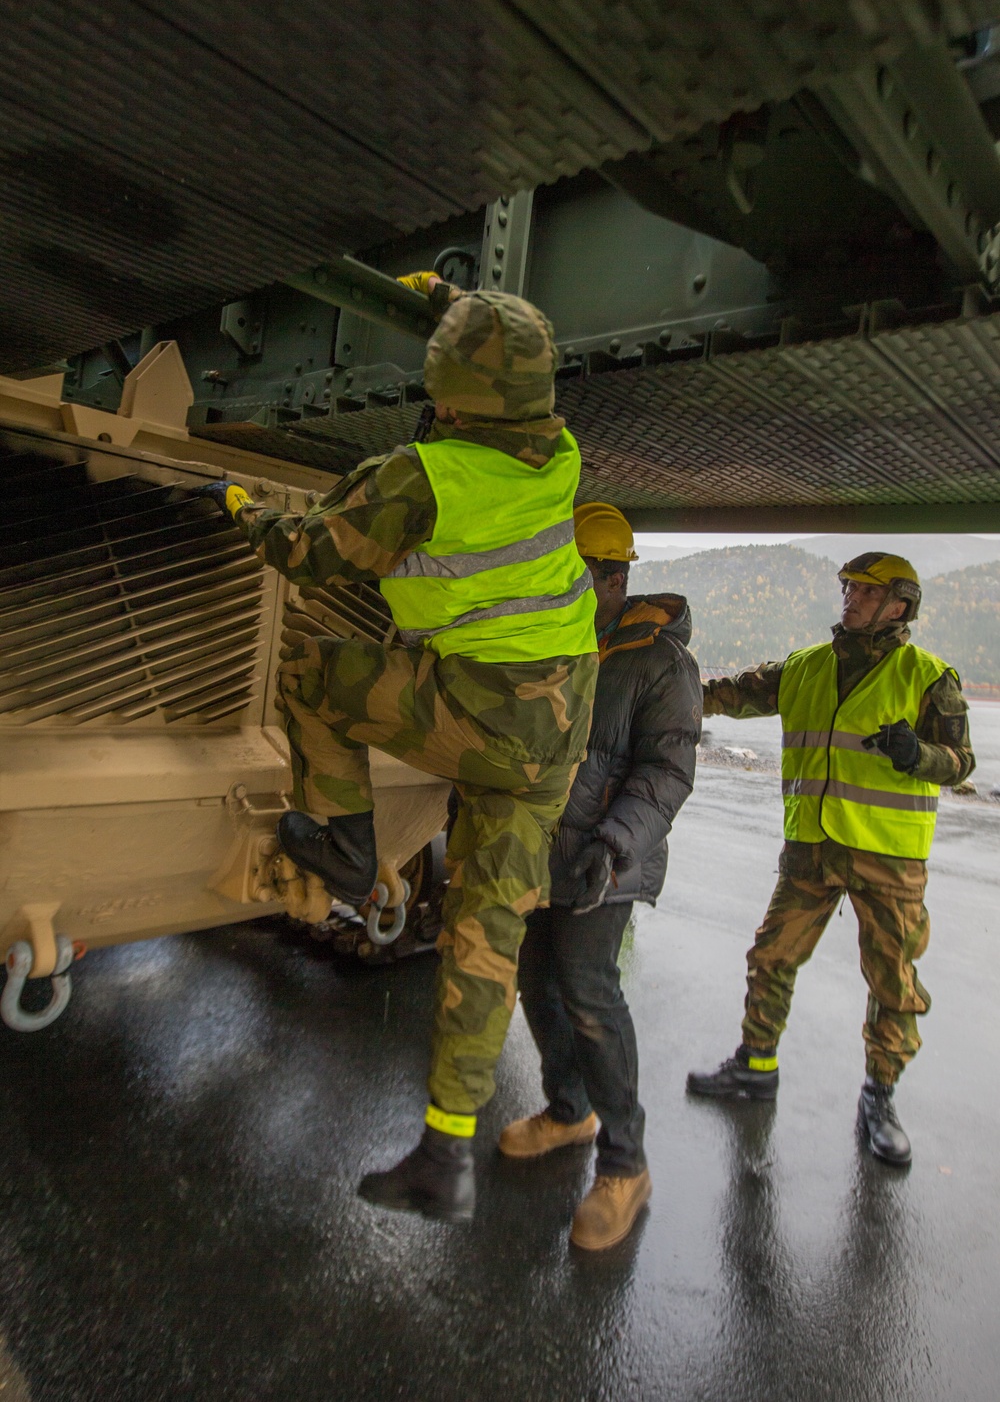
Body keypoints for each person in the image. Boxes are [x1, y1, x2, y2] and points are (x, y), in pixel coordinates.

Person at [197, 279, 598, 1220]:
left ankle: (341, 843)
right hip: (561, 725)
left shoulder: (420, 475)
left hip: (489, 708)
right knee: (485, 935)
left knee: (317, 674)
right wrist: (451, 302)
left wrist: (241, 506)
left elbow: (303, 555)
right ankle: (445, 1150)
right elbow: (513, 353)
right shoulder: (561, 449)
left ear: (450, 392)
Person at [687, 553, 974, 1165]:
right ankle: (755, 1068)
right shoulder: (806, 667)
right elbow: (728, 695)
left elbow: (960, 764)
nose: (849, 596)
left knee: (892, 983)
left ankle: (880, 1097)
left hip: (889, 860)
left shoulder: (928, 678)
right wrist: (669, 687)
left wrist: (915, 754)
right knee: (771, 957)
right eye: (847, 586)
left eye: (865, 590)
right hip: (811, 849)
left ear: (899, 605)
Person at [499, 503, 702, 1249]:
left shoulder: (660, 663)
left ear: (612, 578)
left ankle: (625, 1162)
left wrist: (612, 844)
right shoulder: (558, 642)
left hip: (606, 862)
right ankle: (568, 1109)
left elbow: (667, 772)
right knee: (534, 980)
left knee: (588, 990)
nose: (562, 588)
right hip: (541, 853)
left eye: (577, 575)